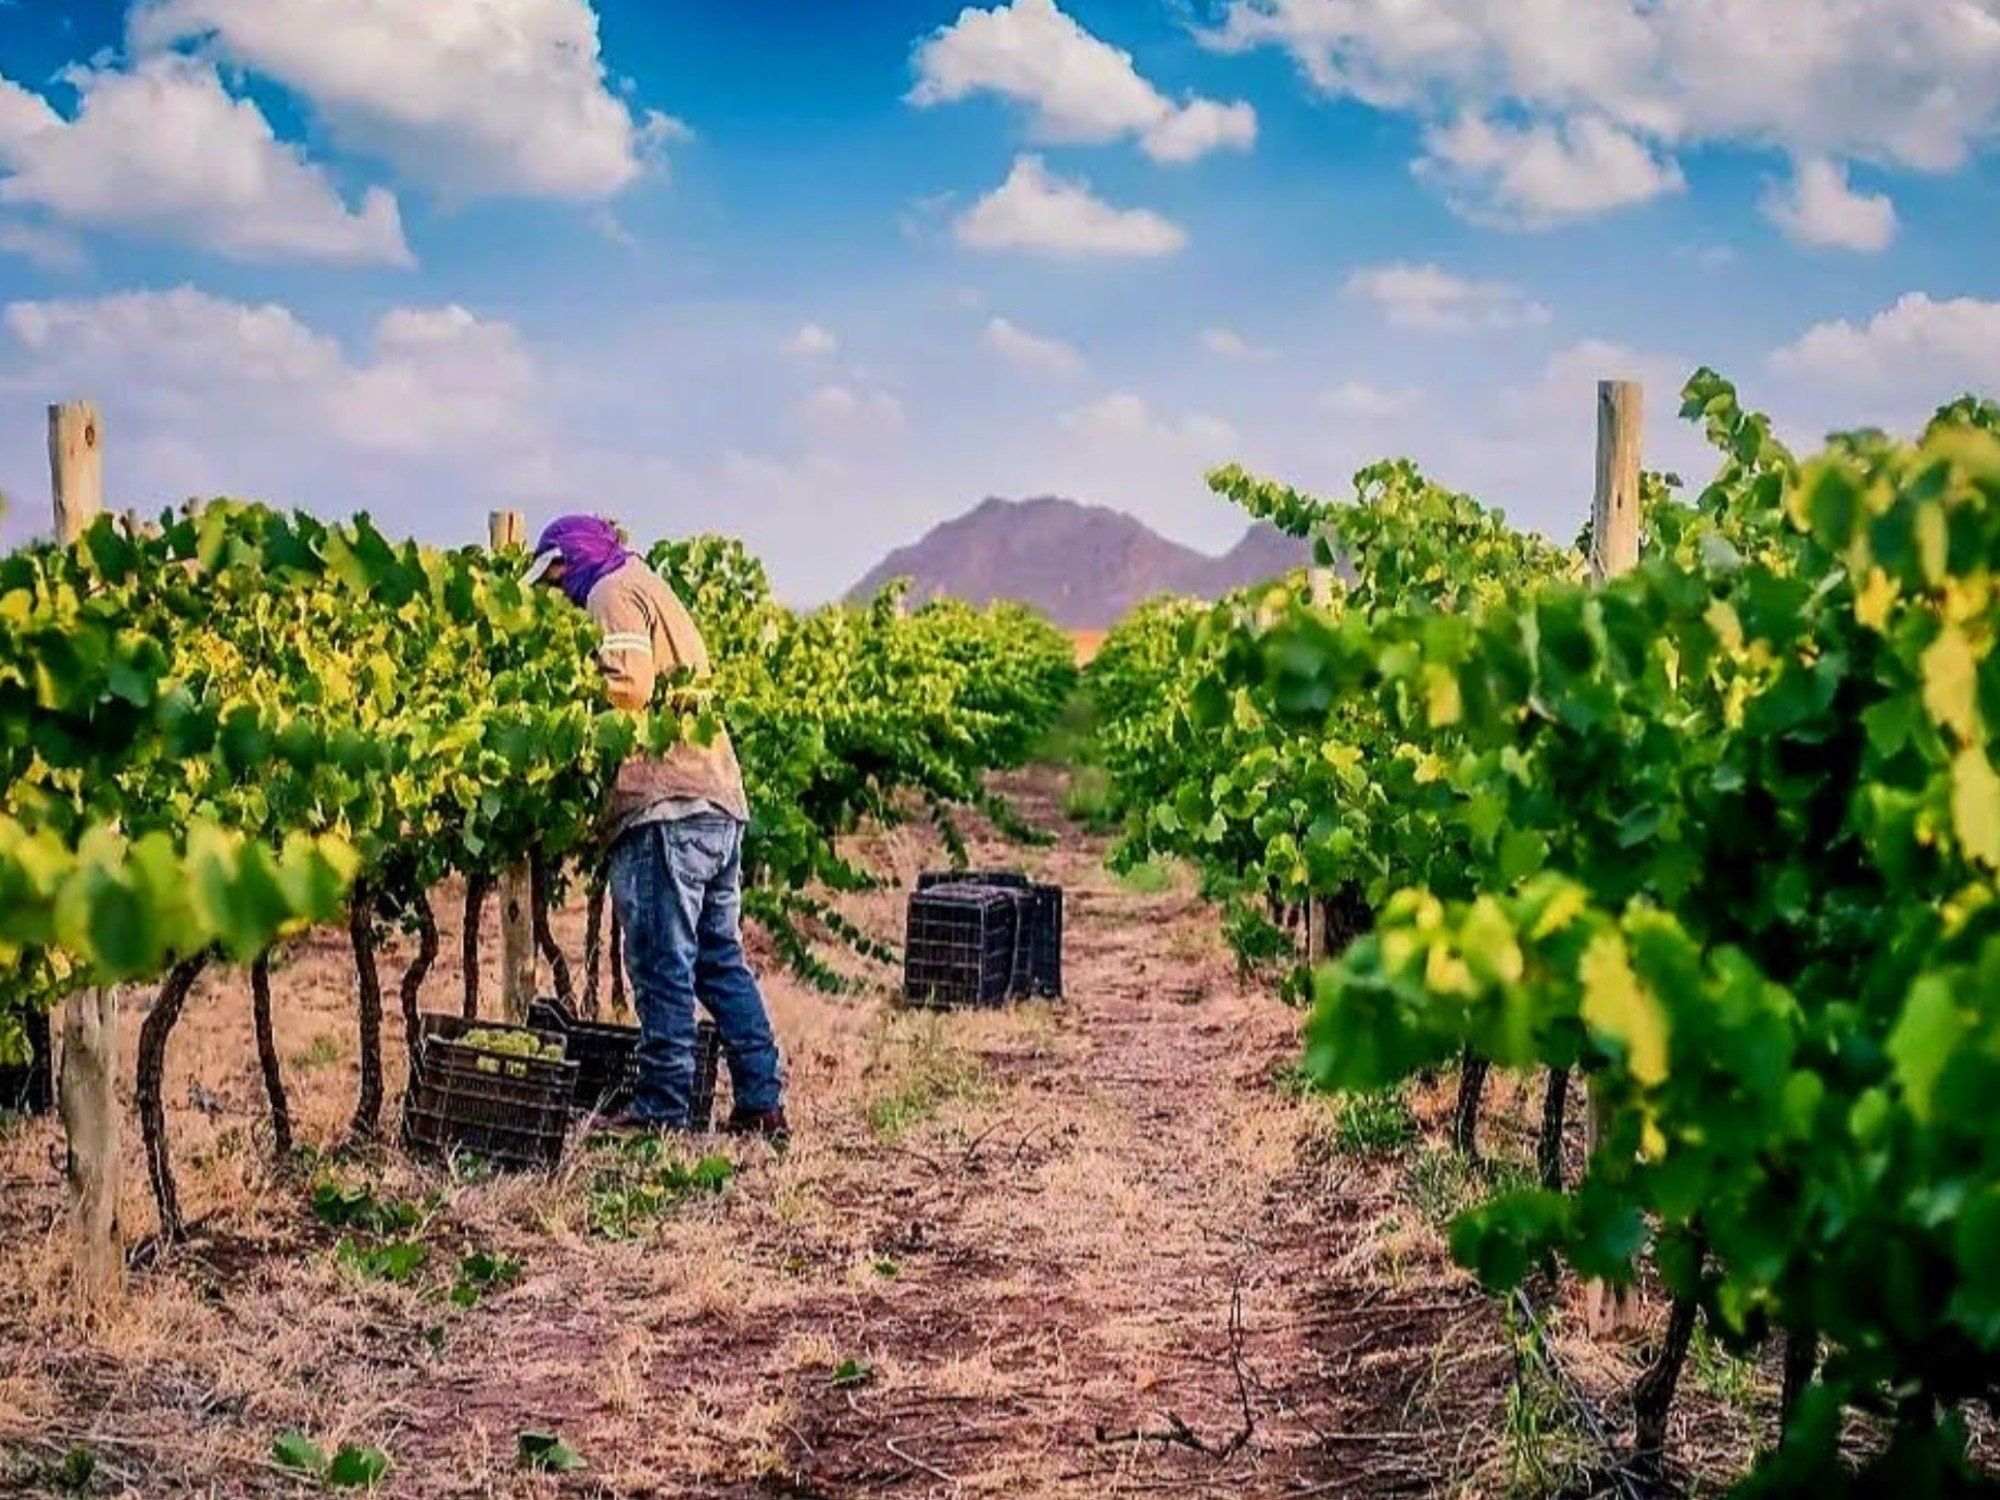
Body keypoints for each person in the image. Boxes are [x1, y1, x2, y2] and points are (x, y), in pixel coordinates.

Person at [522, 515, 788, 1141]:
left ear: (569, 559)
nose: (560, 595)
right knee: (718, 960)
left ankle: (662, 1108)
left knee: (661, 963)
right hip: (718, 797)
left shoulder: (610, 590)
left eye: (555, 579)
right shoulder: (651, 585)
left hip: (664, 804)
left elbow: (628, 689)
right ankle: (761, 1102)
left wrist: (566, 721)